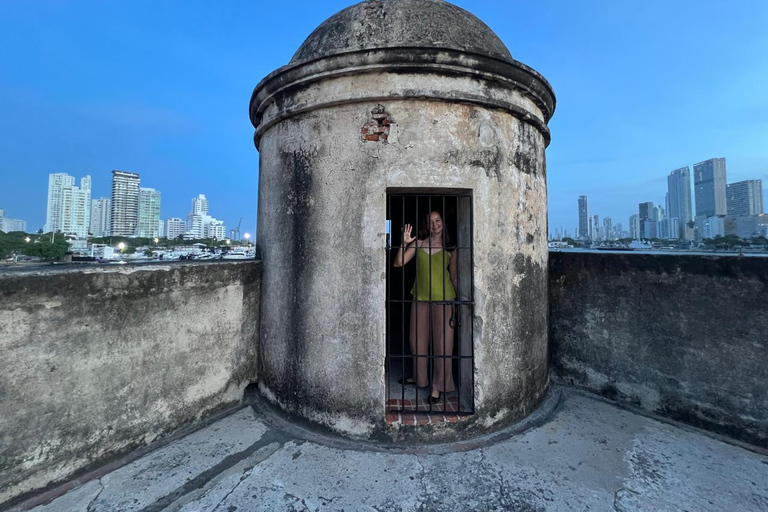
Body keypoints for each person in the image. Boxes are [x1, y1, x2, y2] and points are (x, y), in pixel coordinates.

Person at [393, 211, 457, 403]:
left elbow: (453, 277)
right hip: (419, 297)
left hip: (444, 299)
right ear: (426, 225)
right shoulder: (419, 243)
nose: (435, 224)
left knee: (443, 344)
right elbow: (398, 263)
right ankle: (419, 378)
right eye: (431, 221)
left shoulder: (450, 248)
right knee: (417, 341)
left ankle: (438, 386)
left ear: (443, 223)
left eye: (438, 220)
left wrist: (459, 304)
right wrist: (404, 243)